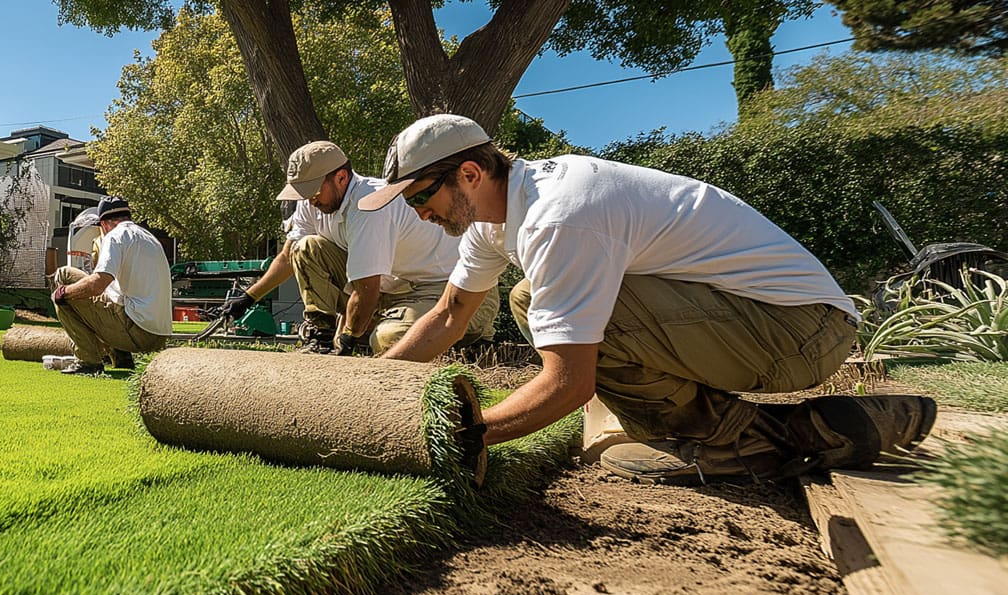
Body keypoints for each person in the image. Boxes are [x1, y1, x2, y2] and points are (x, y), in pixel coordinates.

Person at [363, 114, 935, 483]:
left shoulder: (558, 217)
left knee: (561, 310)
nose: (418, 214)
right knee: (528, 295)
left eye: (419, 197)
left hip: (801, 333)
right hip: (766, 319)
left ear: (468, 173)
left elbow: (569, 383)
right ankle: (726, 432)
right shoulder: (499, 216)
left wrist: (462, 438)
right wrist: (365, 389)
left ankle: (751, 441)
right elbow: (448, 316)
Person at [218, 140, 498, 355]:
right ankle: (319, 337)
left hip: (448, 290)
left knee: (388, 340)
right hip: (392, 291)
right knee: (306, 248)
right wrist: (247, 299)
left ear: (341, 178)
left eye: (314, 190)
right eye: (304, 192)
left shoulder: (369, 205)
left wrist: (347, 342)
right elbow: (288, 258)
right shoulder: (312, 201)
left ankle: (474, 341)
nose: (309, 200)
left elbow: (366, 290)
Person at [51, 195, 172, 375]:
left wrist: (63, 293)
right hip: (159, 334)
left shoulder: (115, 236)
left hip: (137, 333)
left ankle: (87, 361)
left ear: (104, 224)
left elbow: (97, 285)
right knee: (66, 274)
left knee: (64, 294)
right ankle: (122, 357)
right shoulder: (148, 237)